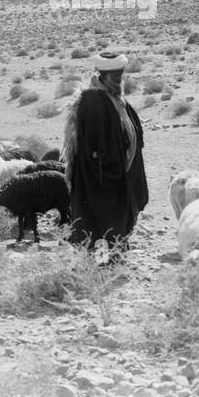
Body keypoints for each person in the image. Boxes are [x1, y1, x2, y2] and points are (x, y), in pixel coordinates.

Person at [62, 51, 148, 258]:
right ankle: (97, 261)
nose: (120, 81)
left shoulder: (114, 96)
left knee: (117, 214)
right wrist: (107, 170)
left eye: (121, 76)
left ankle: (116, 251)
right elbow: (94, 144)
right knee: (101, 215)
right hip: (100, 176)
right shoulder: (93, 100)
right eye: (116, 77)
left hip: (116, 171)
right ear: (103, 76)